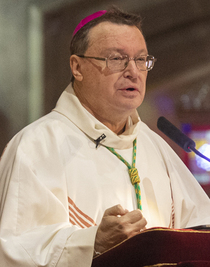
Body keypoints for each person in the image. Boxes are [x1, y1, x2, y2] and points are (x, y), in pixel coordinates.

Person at [0, 6, 210, 267]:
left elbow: (200, 230)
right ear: (77, 67)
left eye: (141, 60)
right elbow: (15, 252)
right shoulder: (36, 146)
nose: (133, 71)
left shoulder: (155, 145)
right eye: (117, 59)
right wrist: (94, 243)